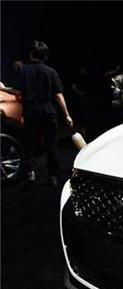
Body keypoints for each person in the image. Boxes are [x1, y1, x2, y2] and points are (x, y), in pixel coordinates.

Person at [10, 41, 73, 187]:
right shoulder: (51, 72)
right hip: (48, 111)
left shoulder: (23, 71)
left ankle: (31, 173)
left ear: (31, 54)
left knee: (31, 144)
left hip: (31, 111)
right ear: (45, 55)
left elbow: (18, 92)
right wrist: (67, 115)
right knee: (51, 144)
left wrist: (3, 89)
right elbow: (58, 95)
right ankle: (53, 176)